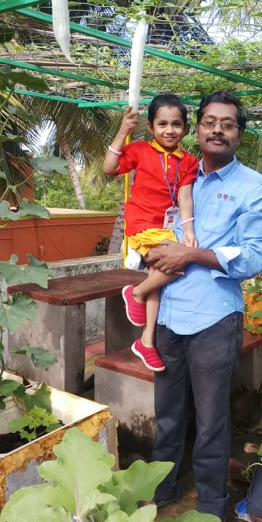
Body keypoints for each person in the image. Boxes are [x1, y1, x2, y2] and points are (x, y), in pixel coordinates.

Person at [145, 90, 262, 522]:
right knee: (167, 415)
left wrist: (190, 255)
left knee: (212, 421)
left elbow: (255, 258)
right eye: (209, 121)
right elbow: (151, 230)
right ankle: (162, 489)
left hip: (214, 319)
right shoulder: (174, 174)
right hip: (167, 316)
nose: (217, 129)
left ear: (239, 134)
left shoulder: (252, 187)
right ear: (196, 128)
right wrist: (147, 253)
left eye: (228, 123)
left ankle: (210, 508)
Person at [103, 94, 199, 372]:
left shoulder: (189, 162)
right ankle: (136, 293)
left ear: (186, 128)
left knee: (161, 276)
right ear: (151, 127)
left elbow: (185, 197)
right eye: (163, 124)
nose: (170, 130)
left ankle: (147, 341)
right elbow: (109, 168)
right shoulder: (140, 150)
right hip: (142, 226)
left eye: (177, 124)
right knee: (178, 264)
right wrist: (122, 132)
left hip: (166, 228)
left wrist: (188, 230)